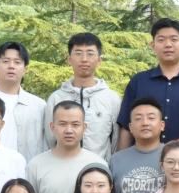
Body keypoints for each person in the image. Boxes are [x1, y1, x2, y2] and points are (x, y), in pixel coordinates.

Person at [116, 18, 179, 150]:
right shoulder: (139, 82)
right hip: (142, 161)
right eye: (161, 40)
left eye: (174, 39)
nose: (168, 44)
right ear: (153, 45)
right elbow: (126, 127)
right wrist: (121, 159)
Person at [27, 102, 106, 193]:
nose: (69, 130)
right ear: (52, 127)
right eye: (62, 124)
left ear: (84, 127)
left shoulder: (98, 164)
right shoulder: (35, 165)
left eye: (75, 124)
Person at [43, 32, 121, 161]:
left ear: (99, 60)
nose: (84, 59)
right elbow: (50, 139)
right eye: (78, 53)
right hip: (62, 166)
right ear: (69, 59)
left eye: (90, 53)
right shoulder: (56, 98)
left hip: (99, 169)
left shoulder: (112, 99)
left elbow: (116, 140)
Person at [110, 98, 166, 193]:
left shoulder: (173, 156)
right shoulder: (116, 160)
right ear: (130, 127)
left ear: (162, 125)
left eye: (151, 118)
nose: (145, 123)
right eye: (138, 118)